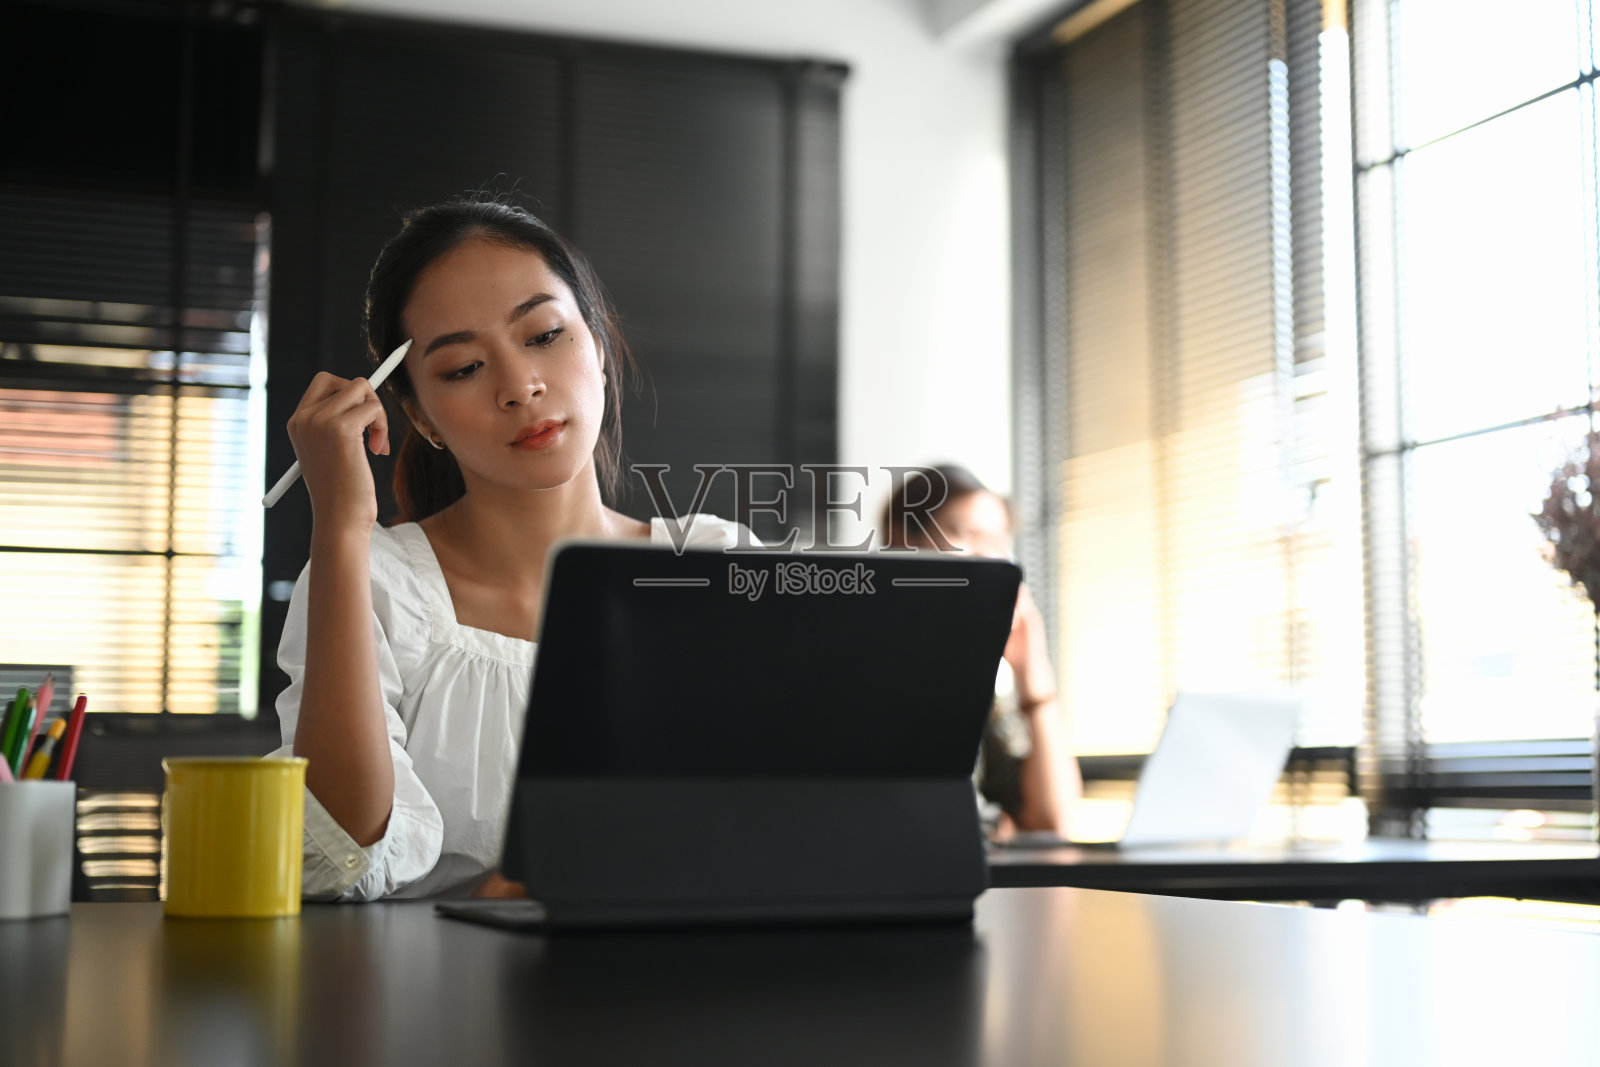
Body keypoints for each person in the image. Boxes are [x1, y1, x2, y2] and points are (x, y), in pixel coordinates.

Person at [269, 198, 750, 901]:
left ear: (601, 350)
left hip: (684, 995)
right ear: (420, 418)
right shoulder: (375, 581)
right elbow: (340, 856)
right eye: (464, 367)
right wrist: (342, 524)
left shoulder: (720, 568)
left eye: (545, 333)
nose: (520, 386)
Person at [881, 464, 1081, 839]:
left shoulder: (977, 685)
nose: (986, 558)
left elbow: (1054, 821)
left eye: (998, 541)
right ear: (901, 536)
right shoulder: (865, 662)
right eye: (964, 534)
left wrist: (1033, 675)